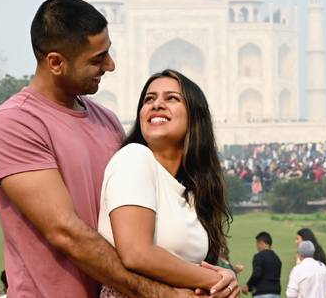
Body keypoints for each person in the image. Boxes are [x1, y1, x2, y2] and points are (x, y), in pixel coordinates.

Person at [0, 0, 226, 297]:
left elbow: (142, 221)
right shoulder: (17, 123)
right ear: (56, 63)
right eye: (97, 59)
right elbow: (66, 232)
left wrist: (213, 272)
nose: (110, 65)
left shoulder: (106, 121)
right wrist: (162, 293)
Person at [97, 70, 238, 297]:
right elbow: (136, 253)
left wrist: (225, 274)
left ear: (195, 116)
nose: (157, 104)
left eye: (171, 98)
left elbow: (190, 265)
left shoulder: (190, 193)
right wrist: (216, 280)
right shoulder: (134, 157)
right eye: (149, 99)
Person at [242, 231, 282, 297]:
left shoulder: (259, 256)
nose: (257, 247)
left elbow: (256, 274)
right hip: (276, 293)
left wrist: (248, 286)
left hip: (262, 293)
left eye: (257, 244)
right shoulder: (277, 259)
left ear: (261, 243)